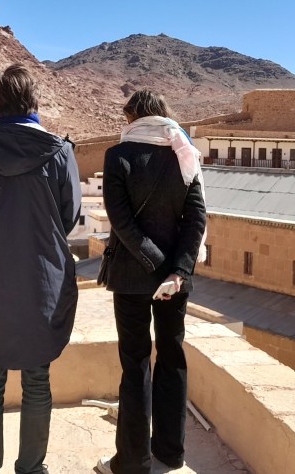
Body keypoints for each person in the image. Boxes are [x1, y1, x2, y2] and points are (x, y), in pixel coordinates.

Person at [0, 63, 81, 474]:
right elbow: (69, 217)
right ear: (34, 102)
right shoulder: (59, 152)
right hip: (41, 285)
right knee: (37, 382)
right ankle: (31, 468)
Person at [96, 90, 207, 474]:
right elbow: (196, 219)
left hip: (131, 277)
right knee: (173, 359)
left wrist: (156, 266)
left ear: (132, 116)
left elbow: (122, 222)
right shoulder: (184, 153)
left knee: (136, 363)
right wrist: (177, 270)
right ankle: (171, 453)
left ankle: (131, 461)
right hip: (175, 280)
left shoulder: (118, 156)